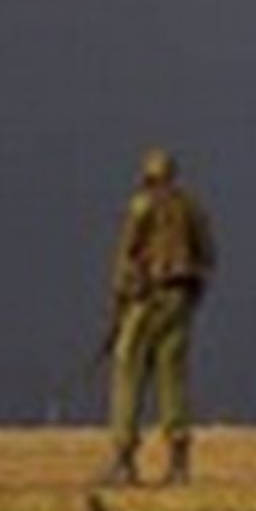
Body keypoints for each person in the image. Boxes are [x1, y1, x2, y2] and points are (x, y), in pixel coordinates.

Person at [100, 147, 218, 487]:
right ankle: (179, 463)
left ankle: (124, 460)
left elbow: (125, 256)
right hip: (180, 301)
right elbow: (208, 256)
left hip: (146, 300)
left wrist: (120, 301)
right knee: (173, 378)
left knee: (128, 373)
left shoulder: (141, 206)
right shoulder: (192, 208)